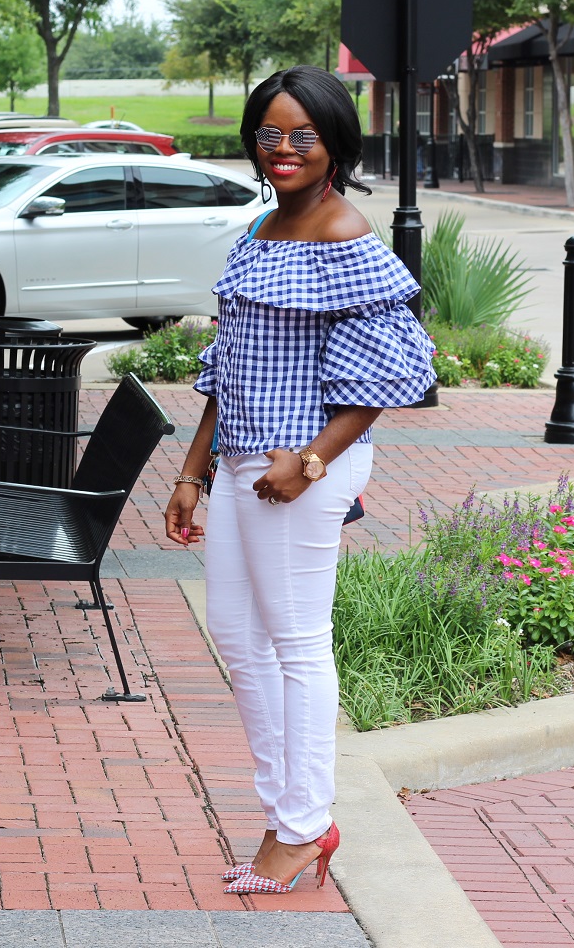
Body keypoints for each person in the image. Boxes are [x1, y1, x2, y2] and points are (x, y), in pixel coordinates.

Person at [164, 66, 435, 895]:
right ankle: (289, 815)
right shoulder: (262, 228)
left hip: (304, 464)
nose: (283, 149)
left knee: (296, 644)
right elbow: (231, 362)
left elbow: (398, 369)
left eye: (302, 135)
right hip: (245, 457)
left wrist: (312, 462)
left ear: (334, 145)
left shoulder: (343, 233)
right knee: (241, 643)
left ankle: (304, 827)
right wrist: (192, 468)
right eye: (270, 133)